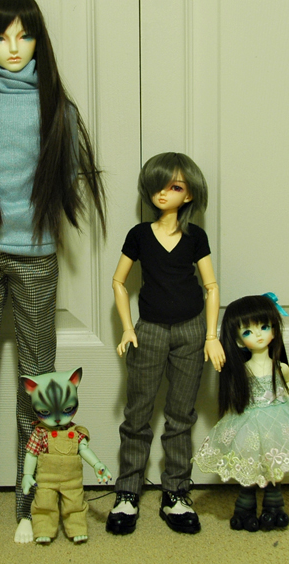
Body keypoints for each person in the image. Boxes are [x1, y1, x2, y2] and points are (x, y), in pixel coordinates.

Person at [0, 0, 106, 542]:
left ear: (39, 40)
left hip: (36, 258)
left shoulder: (59, 109)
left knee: (38, 383)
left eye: (24, 35)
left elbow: (69, 179)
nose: (13, 47)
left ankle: (31, 504)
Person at [107, 152, 224, 536]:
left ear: (188, 195)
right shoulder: (140, 235)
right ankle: (127, 491)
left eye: (174, 187)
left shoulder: (195, 237)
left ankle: (176, 491)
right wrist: (128, 328)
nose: (164, 193)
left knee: (180, 416)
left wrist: (211, 336)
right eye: (158, 185)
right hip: (149, 332)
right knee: (137, 415)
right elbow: (118, 281)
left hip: (191, 331)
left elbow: (211, 286)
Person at [192, 294, 289, 531]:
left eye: (264, 327)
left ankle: (274, 507)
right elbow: (236, 399)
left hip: (279, 421)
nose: (258, 335)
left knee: (274, 470)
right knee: (249, 469)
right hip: (250, 423)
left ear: (274, 329)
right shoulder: (243, 371)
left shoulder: (280, 367)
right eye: (248, 332)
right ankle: (244, 509)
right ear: (238, 341)